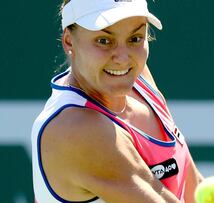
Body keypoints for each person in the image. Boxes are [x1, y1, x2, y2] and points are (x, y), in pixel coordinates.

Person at [31, 0, 204, 202]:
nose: (123, 58)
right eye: (104, 41)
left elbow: (192, 185)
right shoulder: (76, 129)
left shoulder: (138, 80)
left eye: (135, 38)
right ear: (69, 41)